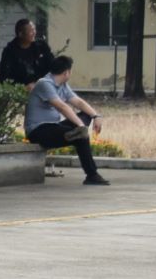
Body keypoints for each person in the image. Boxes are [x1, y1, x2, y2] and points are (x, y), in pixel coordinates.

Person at [26, 54, 110, 185]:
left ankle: (77, 135)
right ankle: (92, 174)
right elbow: (62, 106)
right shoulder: (44, 84)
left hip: (55, 127)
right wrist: (81, 126)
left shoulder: (63, 85)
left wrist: (96, 116)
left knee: (86, 116)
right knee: (81, 135)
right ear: (66, 72)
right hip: (38, 130)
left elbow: (77, 102)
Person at [0, 18, 55, 87]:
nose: (34, 32)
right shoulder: (10, 51)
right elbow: (4, 78)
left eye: (34, 29)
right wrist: (23, 88)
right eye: (31, 31)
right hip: (22, 90)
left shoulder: (41, 47)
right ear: (20, 34)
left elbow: (53, 66)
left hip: (44, 86)